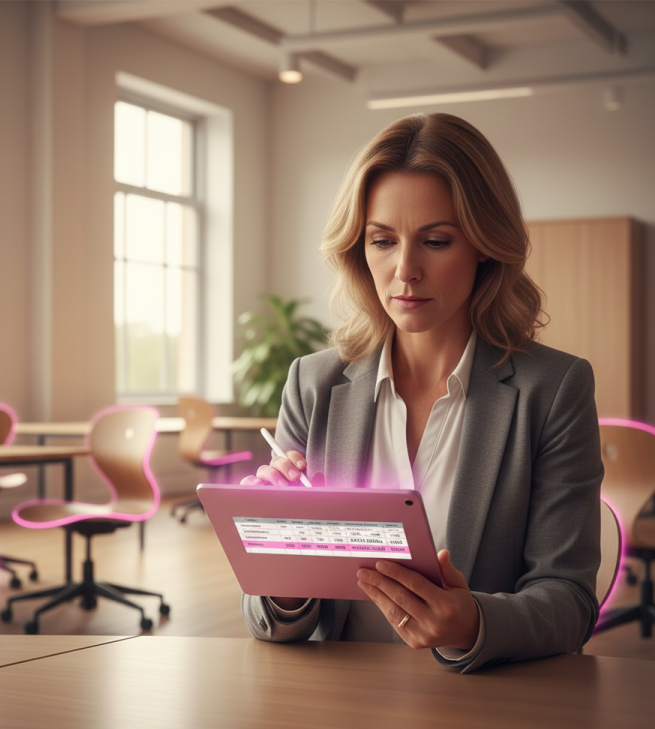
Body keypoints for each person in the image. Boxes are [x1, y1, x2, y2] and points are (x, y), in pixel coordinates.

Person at [239, 112, 603, 674]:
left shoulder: (553, 389)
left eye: (435, 241)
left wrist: (474, 622)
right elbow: (272, 618)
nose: (404, 271)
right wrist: (284, 567)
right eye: (382, 241)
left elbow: (569, 601)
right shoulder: (313, 384)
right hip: (334, 709)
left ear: (484, 246)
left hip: (480, 710)